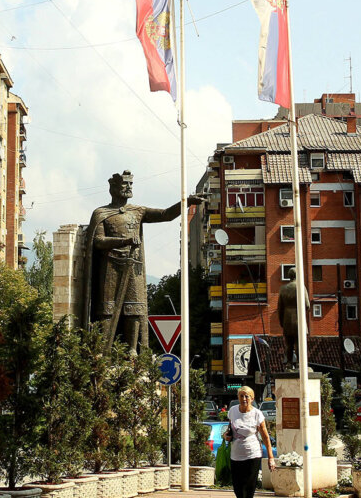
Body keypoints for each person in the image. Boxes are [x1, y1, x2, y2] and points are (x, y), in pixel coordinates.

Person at [81, 170, 203, 352]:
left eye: (131, 184)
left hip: (133, 267)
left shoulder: (138, 212)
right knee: (106, 309)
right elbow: (98, 242)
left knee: (134, 309)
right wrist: (124, 241)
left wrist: (186, 202)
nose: (129, 187)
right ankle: (101, 350)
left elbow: (165, 215)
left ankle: (132, 352)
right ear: (113, 188)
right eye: (124, 184)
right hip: (109, 268)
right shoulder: (100, 213)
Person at [223, 386, 274, 498]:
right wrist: (226, 436)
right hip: (236, 455)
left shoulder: (257, 414)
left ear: (252, 398)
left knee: (249, 488)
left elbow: (265, 437)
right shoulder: (233, 411)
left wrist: (271, 457)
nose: (244, 399)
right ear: (238, 398)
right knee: (238, 489)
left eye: (247, 396)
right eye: (241, 396)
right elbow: (230, 429)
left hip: (253, 454)